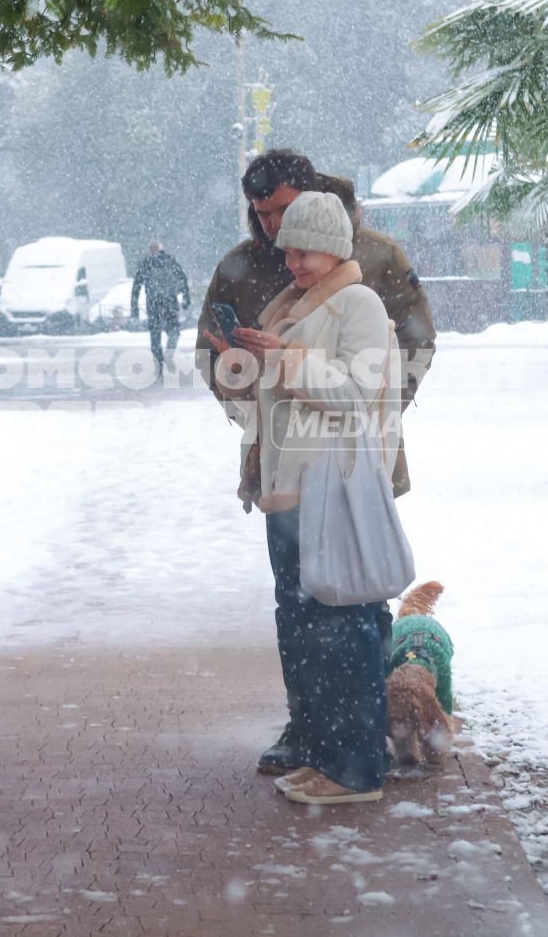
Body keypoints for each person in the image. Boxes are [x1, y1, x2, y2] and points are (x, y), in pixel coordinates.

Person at [196, 149, 435, 777]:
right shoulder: (245, 266)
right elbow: (223, 363)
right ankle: (314, 733)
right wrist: (240, 377)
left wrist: (369, 426)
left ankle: (367, 738)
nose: (274, 229)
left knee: (356, 606)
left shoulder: (374, 261)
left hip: (349, 470)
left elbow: (406, 348)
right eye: (261, 214)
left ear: (307, 197)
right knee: (299, 609)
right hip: (282, 467)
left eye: (280, 211)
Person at [131, 241, 190, 379]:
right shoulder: (171, 261)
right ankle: (169, 353)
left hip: (153, 305)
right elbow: (183, 279)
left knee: (155, 337)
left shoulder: (146, 264)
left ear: (151, 251)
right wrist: (186, 298)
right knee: (174, 332)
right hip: (170, 303)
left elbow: (136, 287)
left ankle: (158, 368)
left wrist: (134, 309)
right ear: (162, 250)